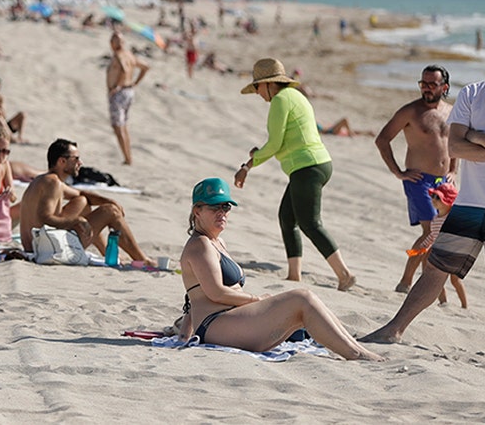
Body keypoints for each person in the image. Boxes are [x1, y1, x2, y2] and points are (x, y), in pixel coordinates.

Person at [362, 47, 485, 363]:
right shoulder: (474, 94)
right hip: (470, 200)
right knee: (436, 267)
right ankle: (393, 329)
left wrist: (480, 137)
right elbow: (456, 147)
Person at [177, 178, 384, 361]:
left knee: (305, 303)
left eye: (226, 207)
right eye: (215, 208)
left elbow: (194, 294)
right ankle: (355, 354)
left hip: (232, 321)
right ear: (197, 211)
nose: (222, 213)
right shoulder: (200, 245)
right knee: (302, 298)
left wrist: (184, 331)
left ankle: (356, 348)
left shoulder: (217, 242)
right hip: (217, 325)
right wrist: (258, 300)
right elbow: (216, 293)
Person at [234, 58, 356, 291]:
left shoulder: (280, 100)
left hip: (307, 167)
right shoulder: (296, 95)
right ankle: (294, 274)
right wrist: (259, 153)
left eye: (258, 87)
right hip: (315, 164)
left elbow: (274, 143)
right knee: (287, 218)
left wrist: (248, 165)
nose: (258, 93)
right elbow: (282, 142)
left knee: (310, 223)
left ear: (269, 84)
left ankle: (345, 274)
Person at [374, 65, 458, 293]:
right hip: (418, 180)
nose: (427, 88)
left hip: (443, 183)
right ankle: (406, 281)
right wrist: (397, 172)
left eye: (432, 84)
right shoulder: (410, 112)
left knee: (436, 234)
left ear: (445, 87)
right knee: (431, 231)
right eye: (423, 83)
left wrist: (453, 169)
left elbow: (454, 143)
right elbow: (382, 140)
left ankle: (431, 285)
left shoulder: (452, 111)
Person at [19, 138, 156, 267]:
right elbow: (45, 217)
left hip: (39, 247)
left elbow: (80, 194)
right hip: (47, 250)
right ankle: (142, 260)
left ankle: (105, 252)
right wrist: (77, 220)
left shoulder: (47, 180)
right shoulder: (52, 183)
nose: (80, 163)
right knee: (110, 211)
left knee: (82, 202)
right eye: (76, 159)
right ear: (62, 161)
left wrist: (110, 200)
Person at [106, 30, 149, 165]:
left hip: (120, 92)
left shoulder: (119, 56)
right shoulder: (129, 55)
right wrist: (135, 82)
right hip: (128, 91)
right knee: (123, 125)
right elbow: (145, 67)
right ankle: (128, 156)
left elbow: (124, 69)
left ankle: (127, 158)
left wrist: (117, 86)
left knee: (118, 127)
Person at [0, 75, 26, 143]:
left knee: (22, 114)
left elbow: (3, 114)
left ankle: (20, 137)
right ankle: (11, 137)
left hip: (2, 124)